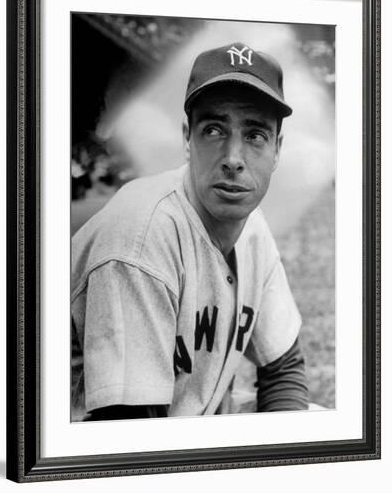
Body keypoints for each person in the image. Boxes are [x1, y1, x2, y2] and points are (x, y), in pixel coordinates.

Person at [71, 42, 309, 421]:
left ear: (277, 149)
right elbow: (126, 434)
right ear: (187, 138)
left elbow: (283, 370)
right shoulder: (141, 238)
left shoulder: (252, 228)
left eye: (255, 135)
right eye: (214, 130)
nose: (233, 159)